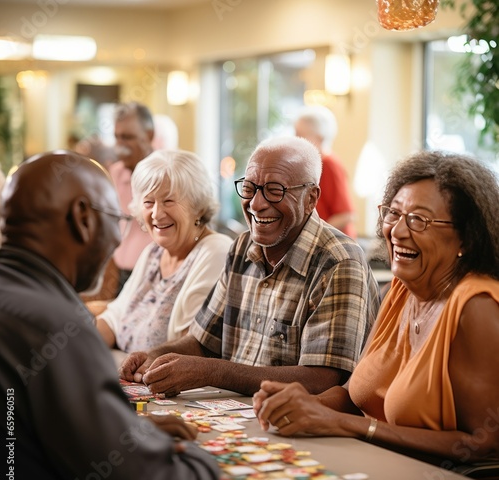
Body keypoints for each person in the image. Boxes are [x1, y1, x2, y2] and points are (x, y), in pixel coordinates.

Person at [253, 150, 499, 469]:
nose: (396, 231)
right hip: (378, 471)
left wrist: (345, 425)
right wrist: (301, 404)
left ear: (466, 236)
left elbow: (483, 445)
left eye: (418, 220)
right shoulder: (398, 291)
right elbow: (353, 396)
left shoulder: (476, 308)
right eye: (393, 214)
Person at [0, 151, 220, 480]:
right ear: (83, 219)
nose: (120, 238)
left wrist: (119, 430)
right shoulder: (54, 323)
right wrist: (203, 457)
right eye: (117, 218)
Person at [120, 136, 380, 397]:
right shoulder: (242, 247)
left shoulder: (339, 261)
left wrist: (211, 372)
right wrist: (153, 356)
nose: (256, 204)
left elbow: (322, 379)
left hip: (300, 430)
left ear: (311, 198)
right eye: (249, 188)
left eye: (275, 190)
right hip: (234, 418)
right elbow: (204, 341)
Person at [96, 149, 233, 353]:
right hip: (125, 376)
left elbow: (192, 344)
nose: (157, 214)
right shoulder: (154, 253)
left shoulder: (216, 252)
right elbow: (113, 319)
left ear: (198, 207)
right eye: (148, 202)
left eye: (169, 201)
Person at [109, 101, 156, 293]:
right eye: (117, 138)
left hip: (152, 275)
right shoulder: (115, 172)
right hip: (121, 273)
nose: (120, 146)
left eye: (127, 138)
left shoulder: (166, 174)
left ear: (149, 135)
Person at [294, 105, 357, 238]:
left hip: (333, 244)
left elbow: (346, 215)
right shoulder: (312, 164)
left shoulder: (328, 164)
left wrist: (312, 235)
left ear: (320, 138)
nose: (296, 140)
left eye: (300, 135)